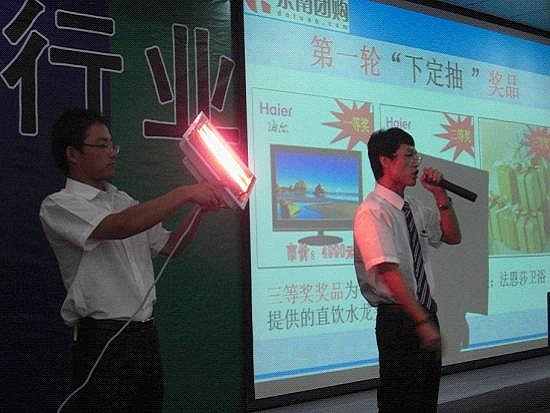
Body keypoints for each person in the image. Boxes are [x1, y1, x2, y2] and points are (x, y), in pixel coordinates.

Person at [39, 108, 222, 412]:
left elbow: (171, 246)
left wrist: (200, 208)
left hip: (145, 336)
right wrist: (186, 192)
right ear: (73, 154)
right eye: (102, 145)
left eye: (113, 145)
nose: (112, 153)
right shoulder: (59, 205)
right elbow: (118, 227)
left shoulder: (123, 200)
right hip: (103, 340)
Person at [354, 127, 461, 412]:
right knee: (401, 404)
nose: (417, 163)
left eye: (417, 156)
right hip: (399, 320)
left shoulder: (413, 207)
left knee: (425, 402)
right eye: (409, 155)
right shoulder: (372, 211)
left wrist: (440, 195)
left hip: (424, 312)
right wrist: (421, 321)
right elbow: (388, 271)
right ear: (385, 161)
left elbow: (452, 236)